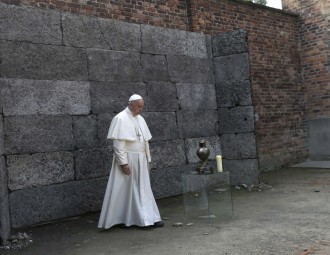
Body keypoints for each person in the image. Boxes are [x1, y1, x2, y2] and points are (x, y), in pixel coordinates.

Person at [98, 94, 164, 229]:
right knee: (129, 190)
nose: (141, 109)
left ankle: (150, 217)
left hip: (141, 159)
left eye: (142, 107)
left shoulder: (140, 119)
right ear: (131, 105)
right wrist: (123, 162)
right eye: (139, 106)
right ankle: (131, 219)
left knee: (143, 188)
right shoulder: (120, 119)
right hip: (129, 159)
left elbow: (145, 142)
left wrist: (148, 159)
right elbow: (118, 143)